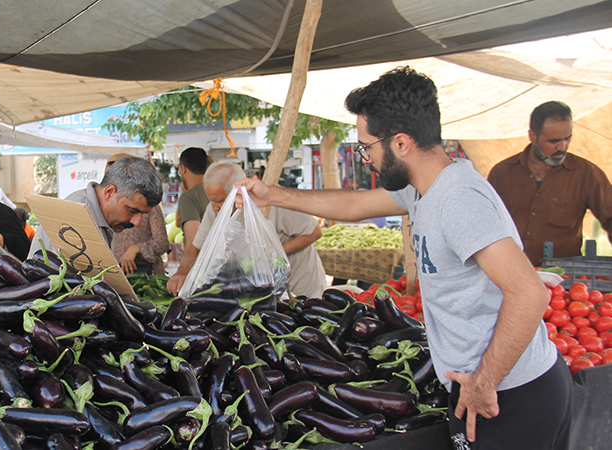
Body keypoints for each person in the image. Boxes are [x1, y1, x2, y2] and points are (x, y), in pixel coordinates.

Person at [234, 67, 571, 449]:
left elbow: (529, 293)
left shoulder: (457, 200)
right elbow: (358, 203)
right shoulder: (424, 188)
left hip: (510, 396)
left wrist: (484, 383)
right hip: (493, 389)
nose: (365, 158)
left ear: (400, 143)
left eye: (367, 146)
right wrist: (272, 195)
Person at [167, 161, 326, 298]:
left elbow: (314, 232)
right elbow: (195, 249)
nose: (214, 207)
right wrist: (182, 271)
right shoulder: (215, 209)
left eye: (219, 200)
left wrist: (269, 256)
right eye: (210, 200)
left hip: (300, 286)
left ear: (238, 190)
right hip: (264, 289)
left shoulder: (273, 200)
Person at [488, 101, 612, 266]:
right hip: (510, 273)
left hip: (564, 280)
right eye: (553, 141)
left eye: (567, 138)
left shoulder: (586, 173)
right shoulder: (502, 172)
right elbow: (484, 223)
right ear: (532, 136)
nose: (562, 147)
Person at [27, 157, 164, 260]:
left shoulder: (98, 215)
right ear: (110, 192)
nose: (137, 222)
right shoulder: (77, 216)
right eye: (132, 210)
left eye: (143, 214)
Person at [106, 153, 170, 275]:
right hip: (115, 274)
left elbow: (162, 243)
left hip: (145, 276)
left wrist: (137, 249)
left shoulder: (148, 205)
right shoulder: (104, 206)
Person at [176, 147, 210, 250]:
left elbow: (193, 245)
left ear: (183, 168)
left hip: (203, 264)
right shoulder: (218, 190)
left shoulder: (189, 198)